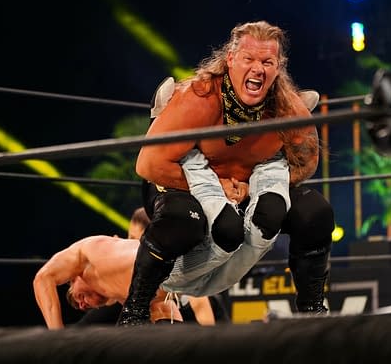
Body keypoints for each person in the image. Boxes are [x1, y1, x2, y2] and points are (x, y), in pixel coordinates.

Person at [118, 20, 334, 326]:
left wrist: (256, 186)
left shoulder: (288, 110)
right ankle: (135, 311)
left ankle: (312, 311)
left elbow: (307, 163)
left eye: (267, 62)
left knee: (316, 212)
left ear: (278, 67)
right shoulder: (200, 98)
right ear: (230, 59)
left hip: (243, 191)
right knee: (184, 220)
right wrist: (214, 187)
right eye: (249, 59)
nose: (258, 69)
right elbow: (148, 165)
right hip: (181, 185)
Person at [33, 235, 183, 329]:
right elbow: (165, 311)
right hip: (181, 271)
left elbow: (42, 278)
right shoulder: (125, 296)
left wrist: (57, 336)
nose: (82, 304)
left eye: (78, 296)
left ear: (73, 278)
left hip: (171, 253)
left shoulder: (83, 252)